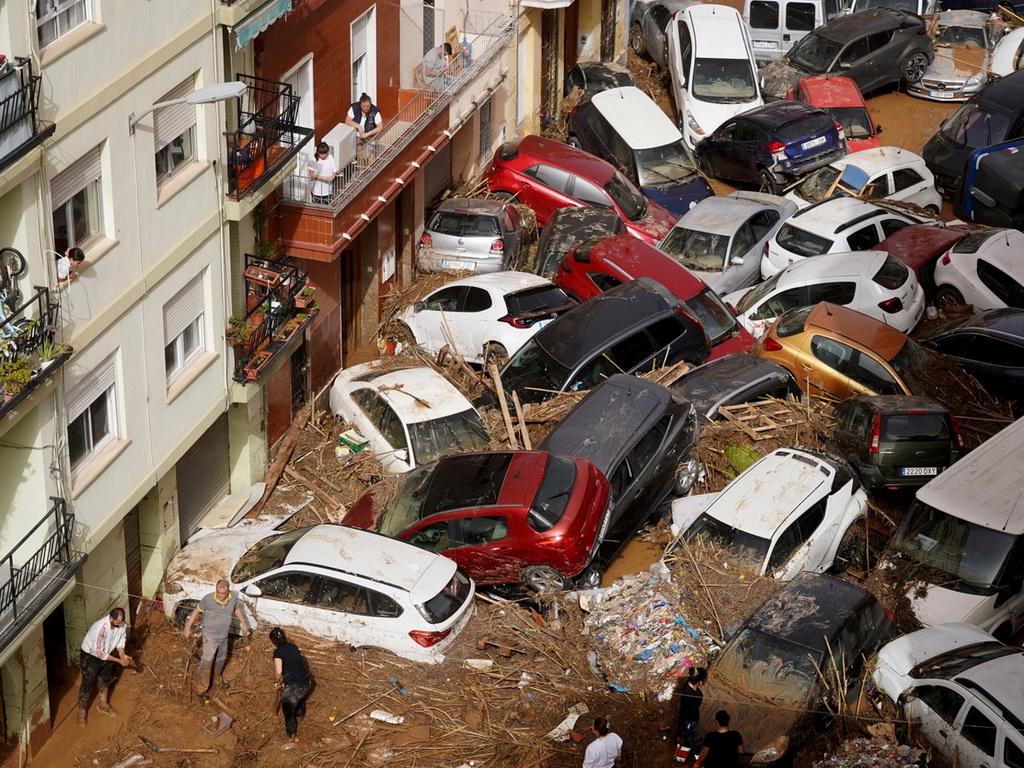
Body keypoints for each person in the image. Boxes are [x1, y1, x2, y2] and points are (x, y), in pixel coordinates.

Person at [183, 578, 252, 703]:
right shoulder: (208, 599)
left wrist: (244, 623)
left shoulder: (233, 599)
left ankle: (217, 678)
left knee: (221, 658)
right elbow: (195, 612)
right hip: (210, 635)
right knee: (207, 661)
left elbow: (236, 609)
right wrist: (187, 628)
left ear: (228, 592)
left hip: (223, 635)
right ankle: (201, 689)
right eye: (218, 593)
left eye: (223, 594)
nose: (220, 596)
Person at [77, 607, 132, 726]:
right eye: (117, 623)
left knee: (104, 680)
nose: (119, 625)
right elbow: (99, 653)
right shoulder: (100, 629)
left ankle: (104, 705)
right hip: (91, 656)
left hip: (108, 654)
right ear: (111, 618)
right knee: (88, 682)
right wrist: (118, 660)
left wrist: (122, 653)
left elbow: (121, 638)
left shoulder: (121, 624)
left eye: (120, 623)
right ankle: (82, 712)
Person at [270, 627, 312, 743]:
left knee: (288, 710)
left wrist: (277, 682)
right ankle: (300, 716)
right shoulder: (293, 646)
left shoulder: (277, 653)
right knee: (299, 698)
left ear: (273, 642)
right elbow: (294, 665)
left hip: (296, 687)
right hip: (307, 682)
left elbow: (278, 672)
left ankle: (291, 738)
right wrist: (285, 683)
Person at [676, 666, 708, 763]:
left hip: (687, 719)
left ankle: (680, 758)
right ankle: (699, 761)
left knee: (687, 738)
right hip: (689, 720)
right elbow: (687, 711)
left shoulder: (687, 686)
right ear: (700, 682)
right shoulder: (695, 695)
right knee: (695, 741)